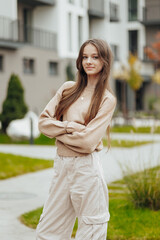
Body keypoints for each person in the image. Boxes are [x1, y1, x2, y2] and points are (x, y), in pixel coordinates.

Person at [36, 39, 116, 240]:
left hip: (86, 170)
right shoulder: (67, 89)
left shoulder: (107, 99)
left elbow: (88, 143)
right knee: (48, 231)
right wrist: (71, 127)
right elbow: (43, 123)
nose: (89, 61)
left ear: (104, 61)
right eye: (85, 57)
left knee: (91, 230)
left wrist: (59, 133)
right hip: (61, 166)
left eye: (95, 57)